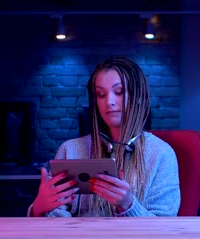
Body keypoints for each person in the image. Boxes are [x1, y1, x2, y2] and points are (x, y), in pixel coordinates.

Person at [27, 56, 181, 217]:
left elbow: (163, 228)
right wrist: (39, 209)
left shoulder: (162, 153)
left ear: (139, 98)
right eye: (101, 94)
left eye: (119, 92)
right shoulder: (70, 149)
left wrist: (128, 205)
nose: (109, 101)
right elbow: (54, 225)